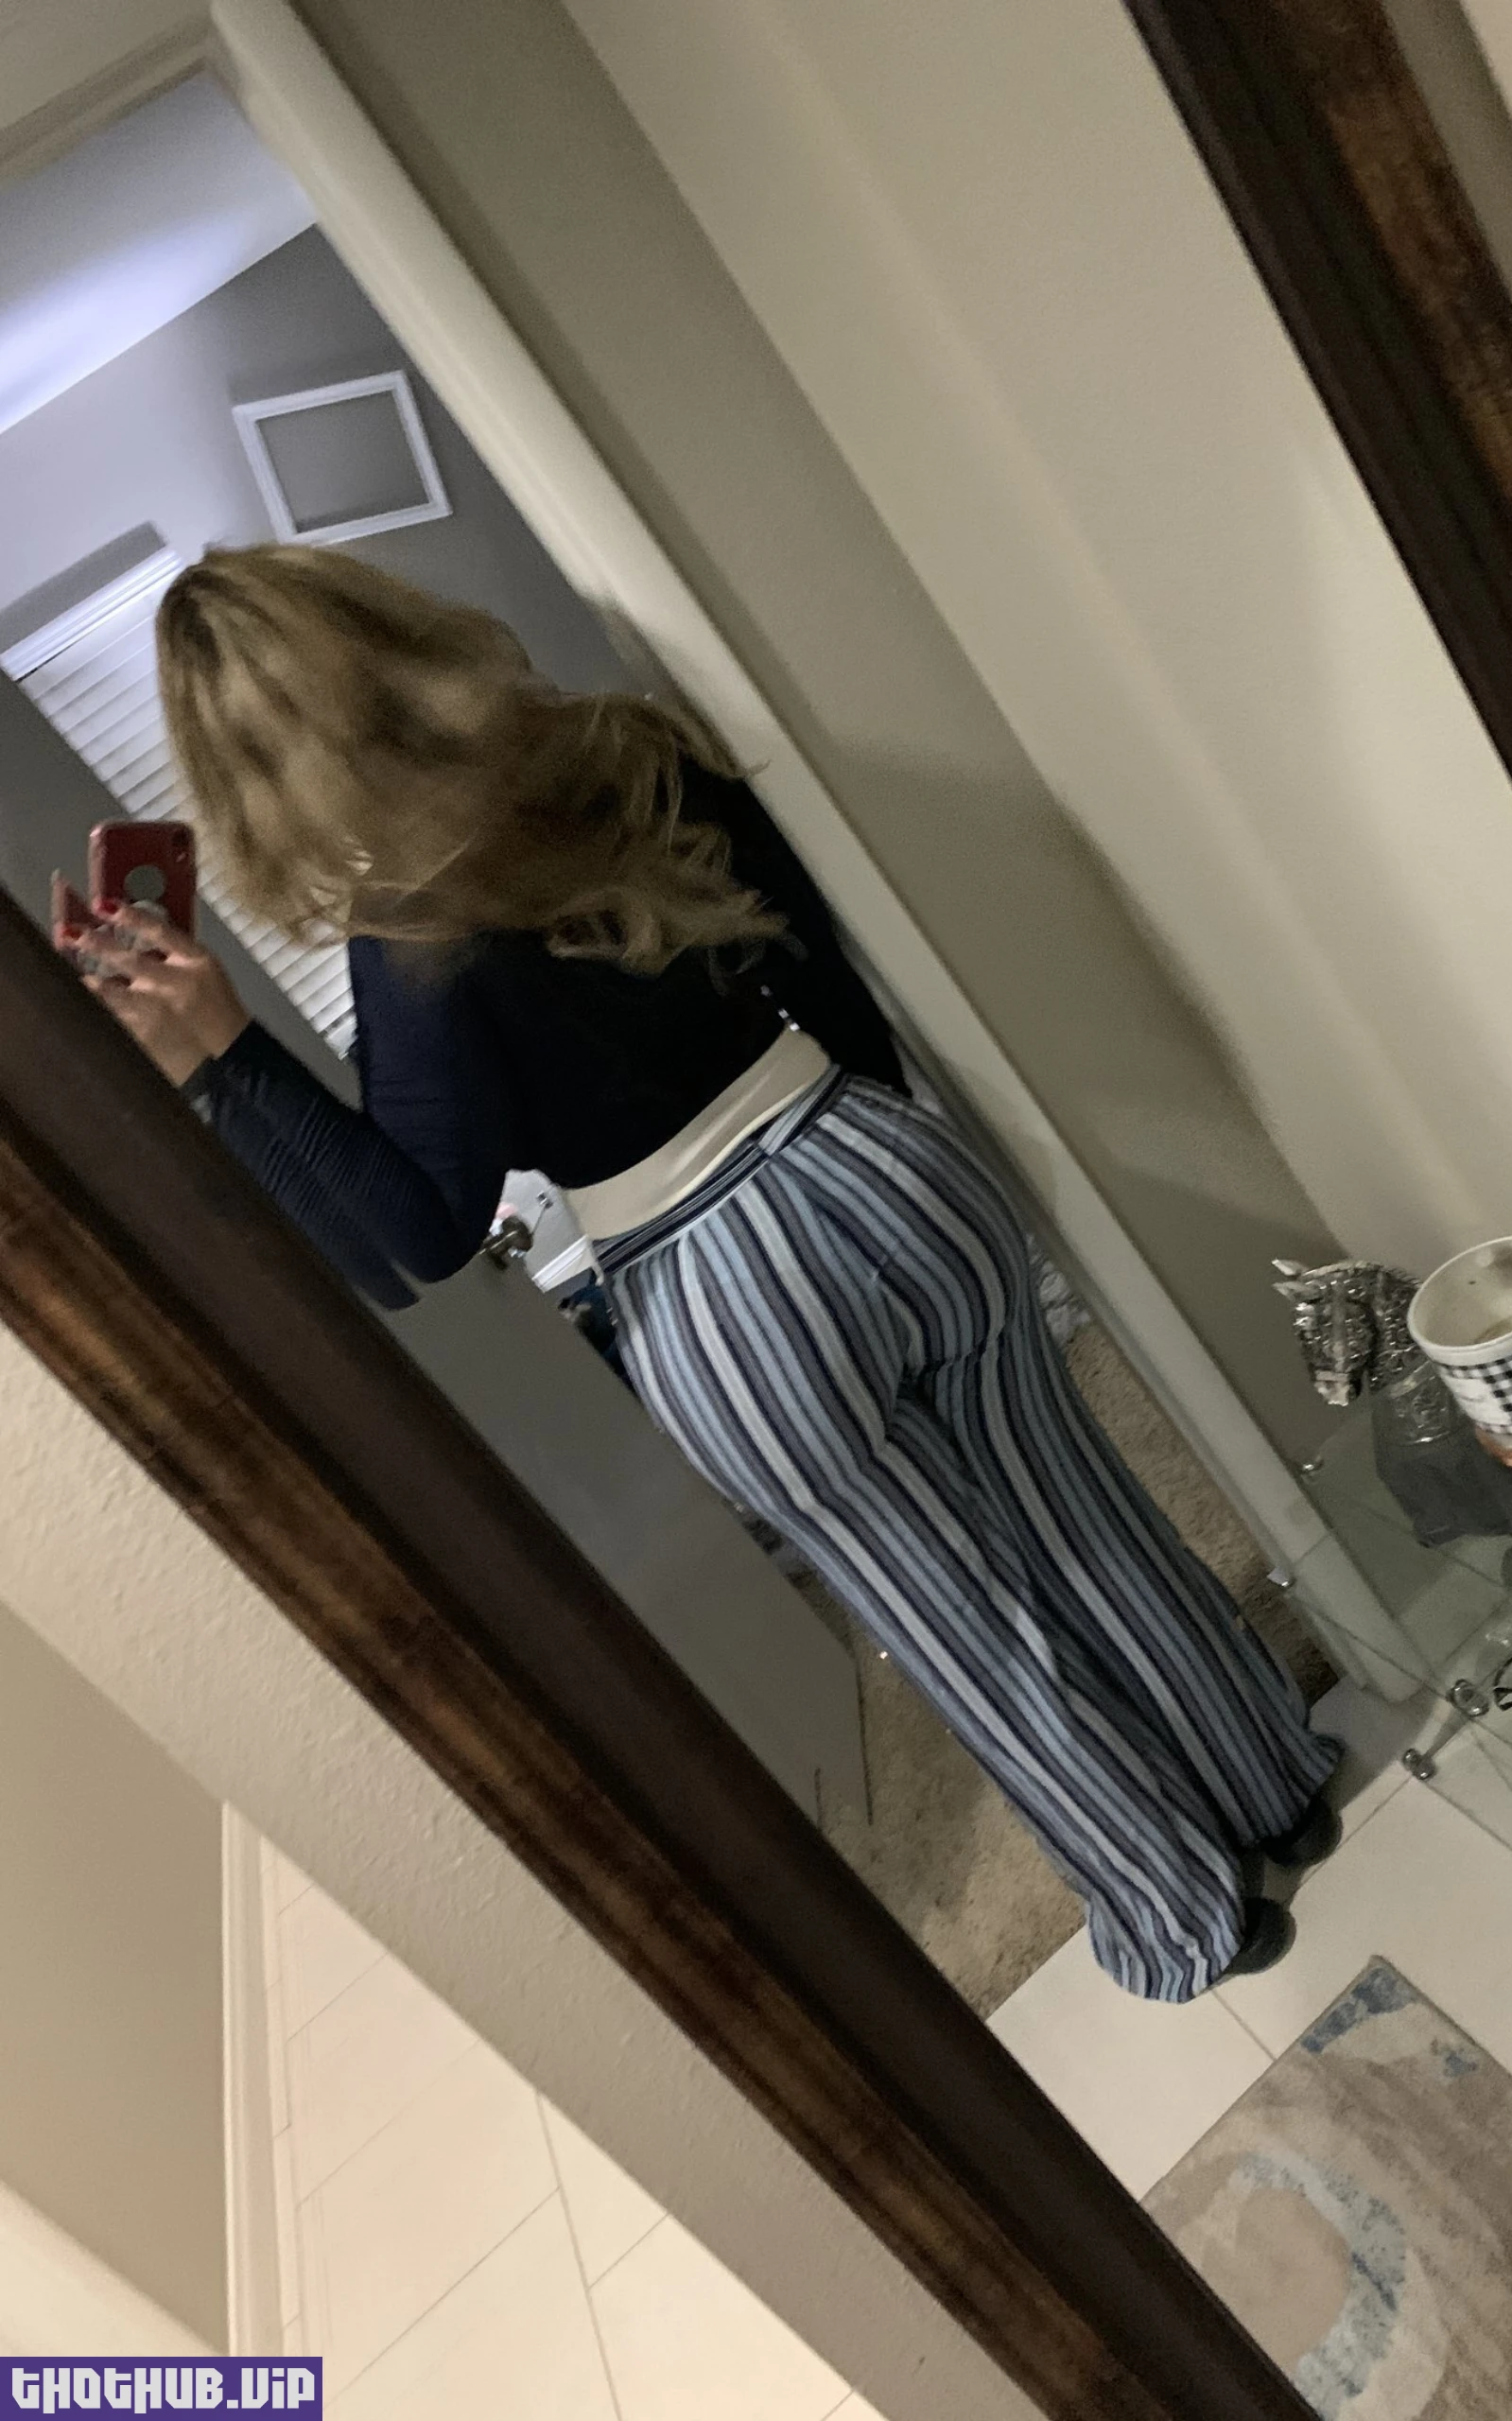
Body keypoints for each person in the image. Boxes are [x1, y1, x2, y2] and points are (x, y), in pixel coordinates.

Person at [80, 543, 1339, 1997]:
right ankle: (1270, 1784)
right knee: (1077, 1503)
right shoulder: (624, 747)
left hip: (718, 1288)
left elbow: (417, 1236)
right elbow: (823, 968)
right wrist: (859, 1152)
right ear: (393, 633)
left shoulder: (409, 938)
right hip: (875, 1163)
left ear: (250, 784)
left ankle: (1188, 1914)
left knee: (970, 1629)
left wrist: (225, 1063)